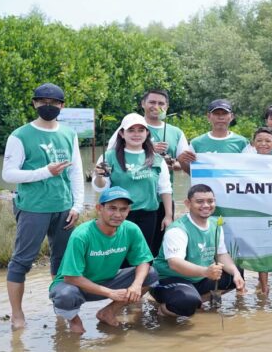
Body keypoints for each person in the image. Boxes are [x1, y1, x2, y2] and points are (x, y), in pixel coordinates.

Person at [1, 82, 84, 329]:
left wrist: (77, 205)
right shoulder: (20, 135)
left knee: (62, 262)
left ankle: (62, 311)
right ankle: (17, 315)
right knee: (22, 261)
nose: (48, 106)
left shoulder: (69, 134)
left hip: (64, 207)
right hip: (33, 208)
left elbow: (76, 172)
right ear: (35, 103)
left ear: (62, 106)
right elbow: (9, 174)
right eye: (43, 101)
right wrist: (44, 172)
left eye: (54, 102)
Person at [48, 187, 158, 334]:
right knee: (65, 296)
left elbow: (143, 261)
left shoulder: (131, 229)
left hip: (108, 280)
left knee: (150, 274)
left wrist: (136, 285)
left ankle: (108, 312)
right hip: (76, 286)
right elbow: (71, 277)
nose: (118, 214)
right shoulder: (81, 234)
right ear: (99, 208)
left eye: (123, 209)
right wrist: (109, 293)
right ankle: (74, 319)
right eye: (112, 208)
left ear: (128, 211)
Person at [108, 89, 189, 256]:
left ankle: (151, 277)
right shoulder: (125, 127)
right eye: (152, 102)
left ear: (167, 106)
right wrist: (151, 150)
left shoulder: (176, 132)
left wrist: (169, 162)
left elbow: (183, 163)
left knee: (156, 245)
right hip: (129, 201)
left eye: (161, 103)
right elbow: (111, 159)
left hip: (160, 199)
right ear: (143, 104)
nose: (156, 106)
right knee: (124, 247)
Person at [152, 184, 245, 317]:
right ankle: (165, 309)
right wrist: (206, 272)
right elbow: (175, 263)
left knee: (236, 273)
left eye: (210, 201)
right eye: (200, 201)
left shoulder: (215, 224)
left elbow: (221, 254)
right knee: (186, 303)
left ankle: (198, 301)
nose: (206, 205)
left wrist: (235, 273)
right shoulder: (177, 229)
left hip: (200, 277)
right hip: (170, 278)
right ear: (188, 203)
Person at [93, 113, 173, 252]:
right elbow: (100, 187)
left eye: (140, 130)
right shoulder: (109, 157)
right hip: (118, 215)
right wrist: (99, 176)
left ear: (147, 133)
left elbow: (165, 189)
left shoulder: (156, 158)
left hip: (148, 215)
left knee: (143, 254)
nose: (136, 134)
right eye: (131, 130)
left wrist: (168, 216)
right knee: (118, 254)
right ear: (122, 134)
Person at [177, 99, 248, 174]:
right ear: (208, 116)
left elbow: (250, 169)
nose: (221, 117)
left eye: (224, 113)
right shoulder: (196, 143)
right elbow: (191, 172)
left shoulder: (243, 142)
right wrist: (181, 161)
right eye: (216, 113)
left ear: (232, 116)